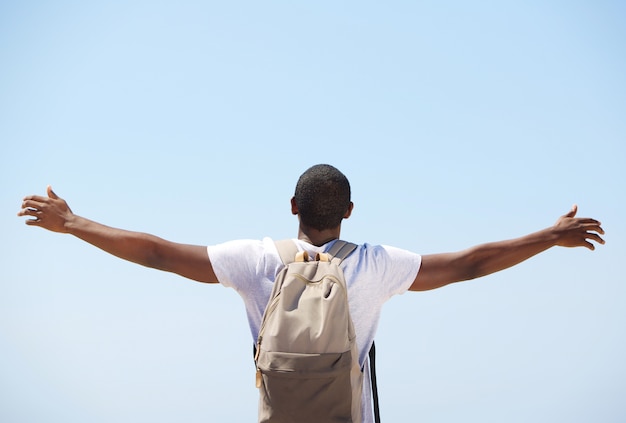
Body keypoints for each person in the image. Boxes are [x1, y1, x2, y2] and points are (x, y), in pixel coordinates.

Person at [18, 164, 605, 423]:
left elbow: (157, 252)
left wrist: (73, 223)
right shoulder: (377, 266)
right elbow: (470, 266)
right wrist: (548, 237)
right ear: (349, 212)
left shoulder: (254, 261)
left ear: (293, 207)